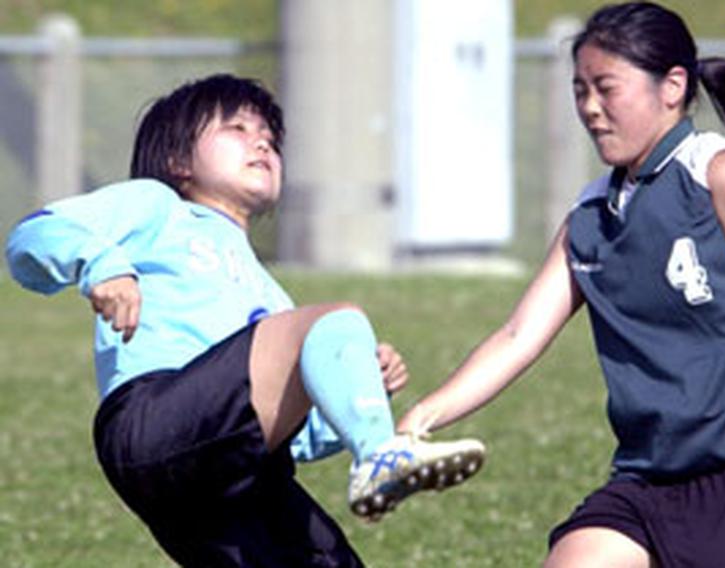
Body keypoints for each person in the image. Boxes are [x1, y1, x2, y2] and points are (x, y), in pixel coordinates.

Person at [397, 2, 725, 566]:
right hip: (647, 481)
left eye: (606, 88)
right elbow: (516, 336)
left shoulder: (721, 175)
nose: (590, 108)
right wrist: (421, 417)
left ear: (672, 86)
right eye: (580, 90)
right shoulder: (591, 215)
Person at [5, 73, 484, 567]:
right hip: (155, 426)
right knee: (336, 320)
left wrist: (357, 393)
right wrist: (100, 264)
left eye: (270, 139)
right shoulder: (157, 207)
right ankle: (380, 453)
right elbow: (33, 236)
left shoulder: (271, 295)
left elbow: (292, 439)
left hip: (244, 471)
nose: (261, 142)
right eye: (237, 129)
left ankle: (373, 447)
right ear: (176, 160)